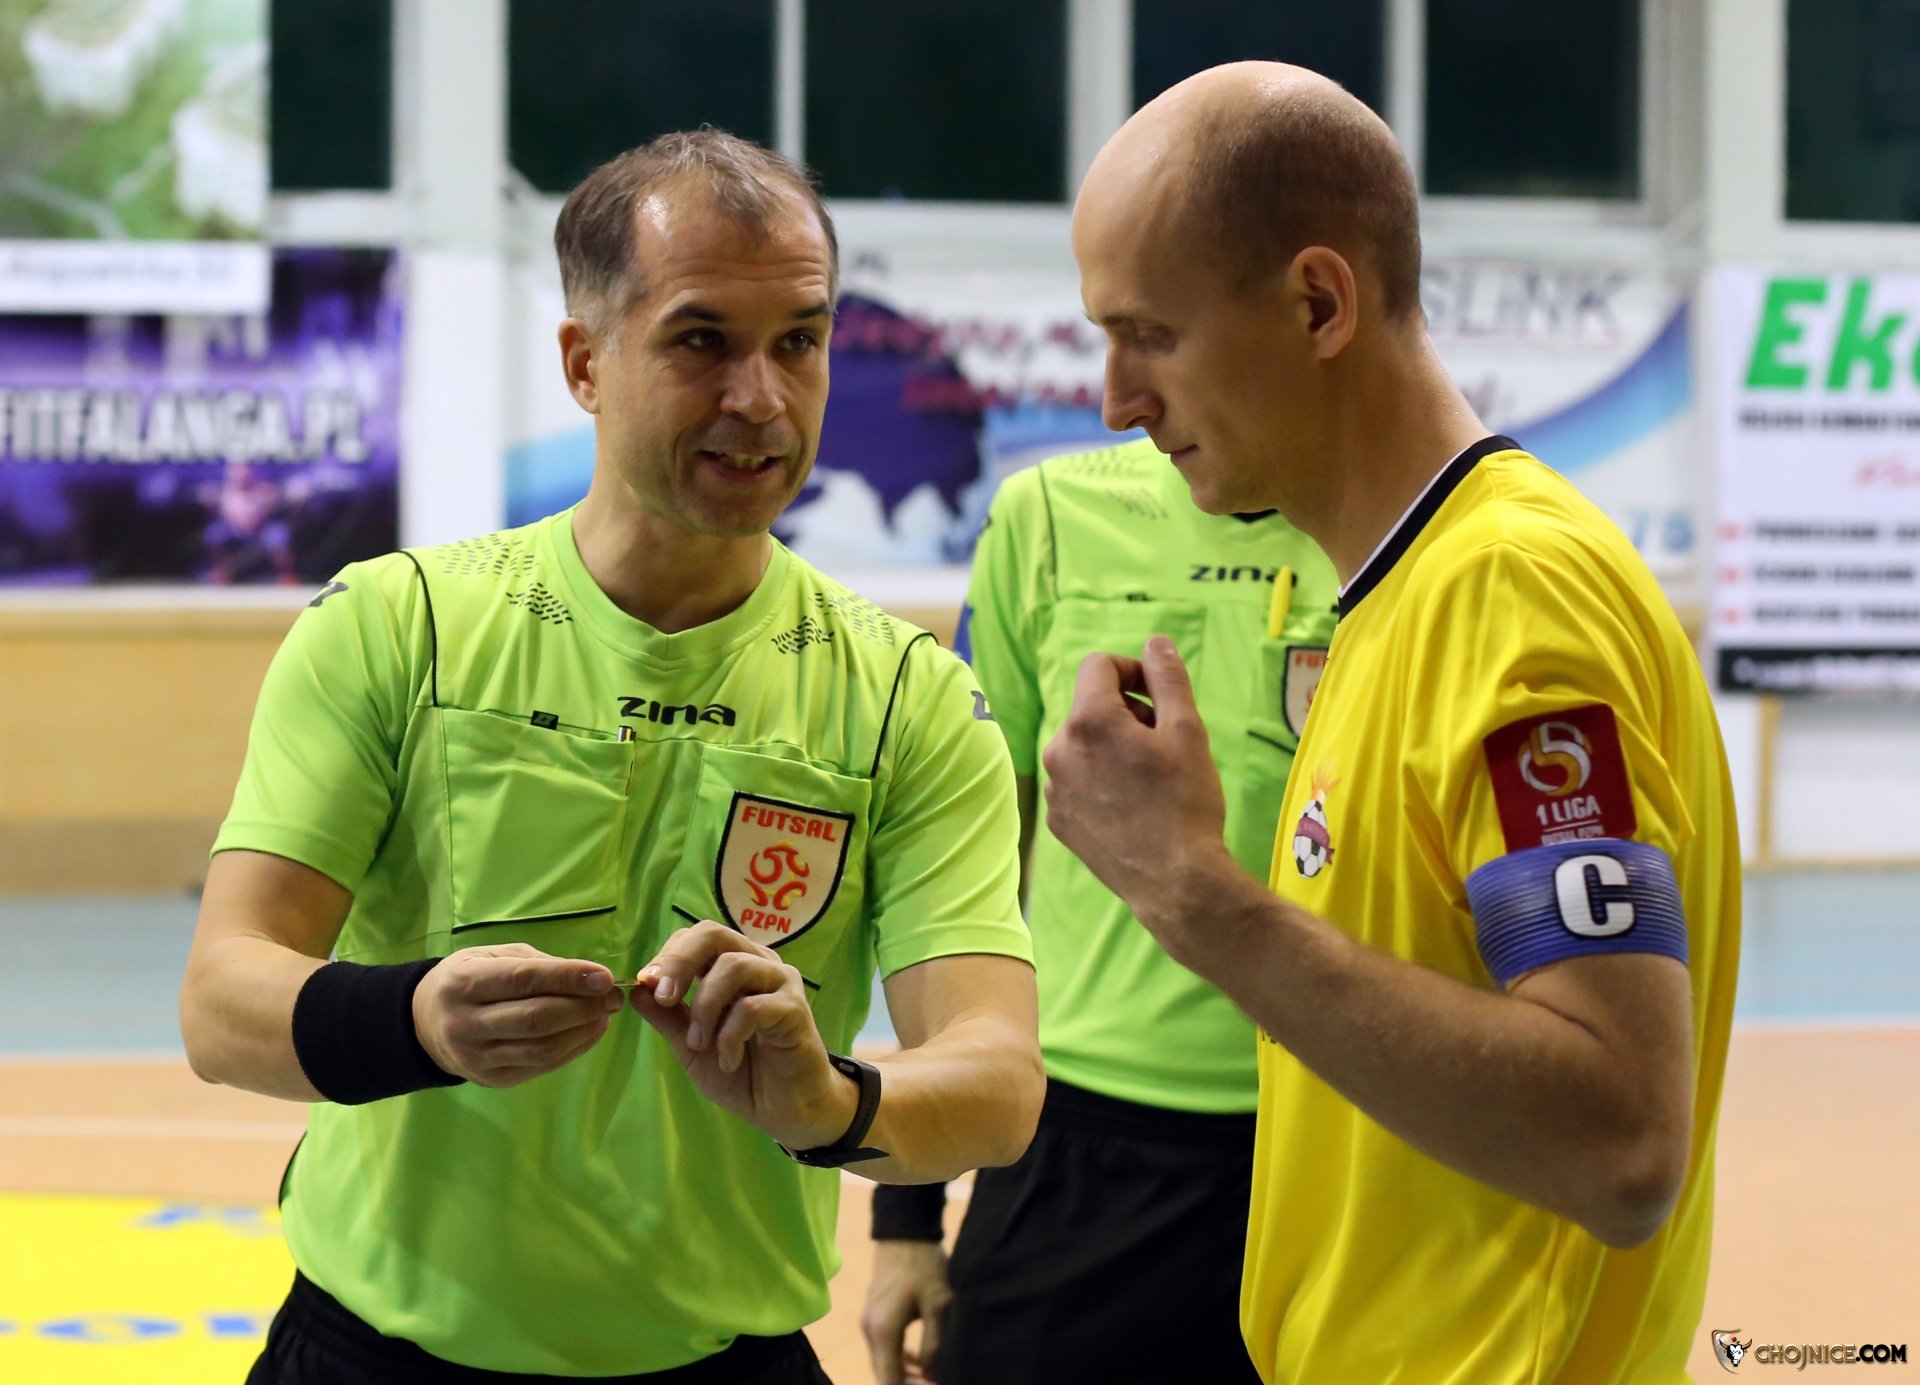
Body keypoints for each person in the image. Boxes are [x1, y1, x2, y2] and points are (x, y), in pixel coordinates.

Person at [178, 130, 1044, 1385]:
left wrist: (832, 1101)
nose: (762, 397)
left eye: (799, 341)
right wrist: (415, 1018)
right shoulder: (396, 625)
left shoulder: (905, 696)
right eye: (702, 340)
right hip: (376, 1353)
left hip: (723, 1358)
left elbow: (998, 1080)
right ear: (587, 362)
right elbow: (222, 998)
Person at [1045, 62, 1741, 1383]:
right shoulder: (1401, 591)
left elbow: (1621, 1141)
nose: (1117, 400)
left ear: (1319, 302)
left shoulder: (1508, 595)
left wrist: (1193, 895)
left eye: (1152, 335)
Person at [862, 436, 1337, 1385]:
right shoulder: (1045, 515)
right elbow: (957, 876)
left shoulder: (1405, 537)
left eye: (1161, 351)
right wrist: (905, 1215)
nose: (1123, 392)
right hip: (1073, 1144)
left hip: (1336, 1140)